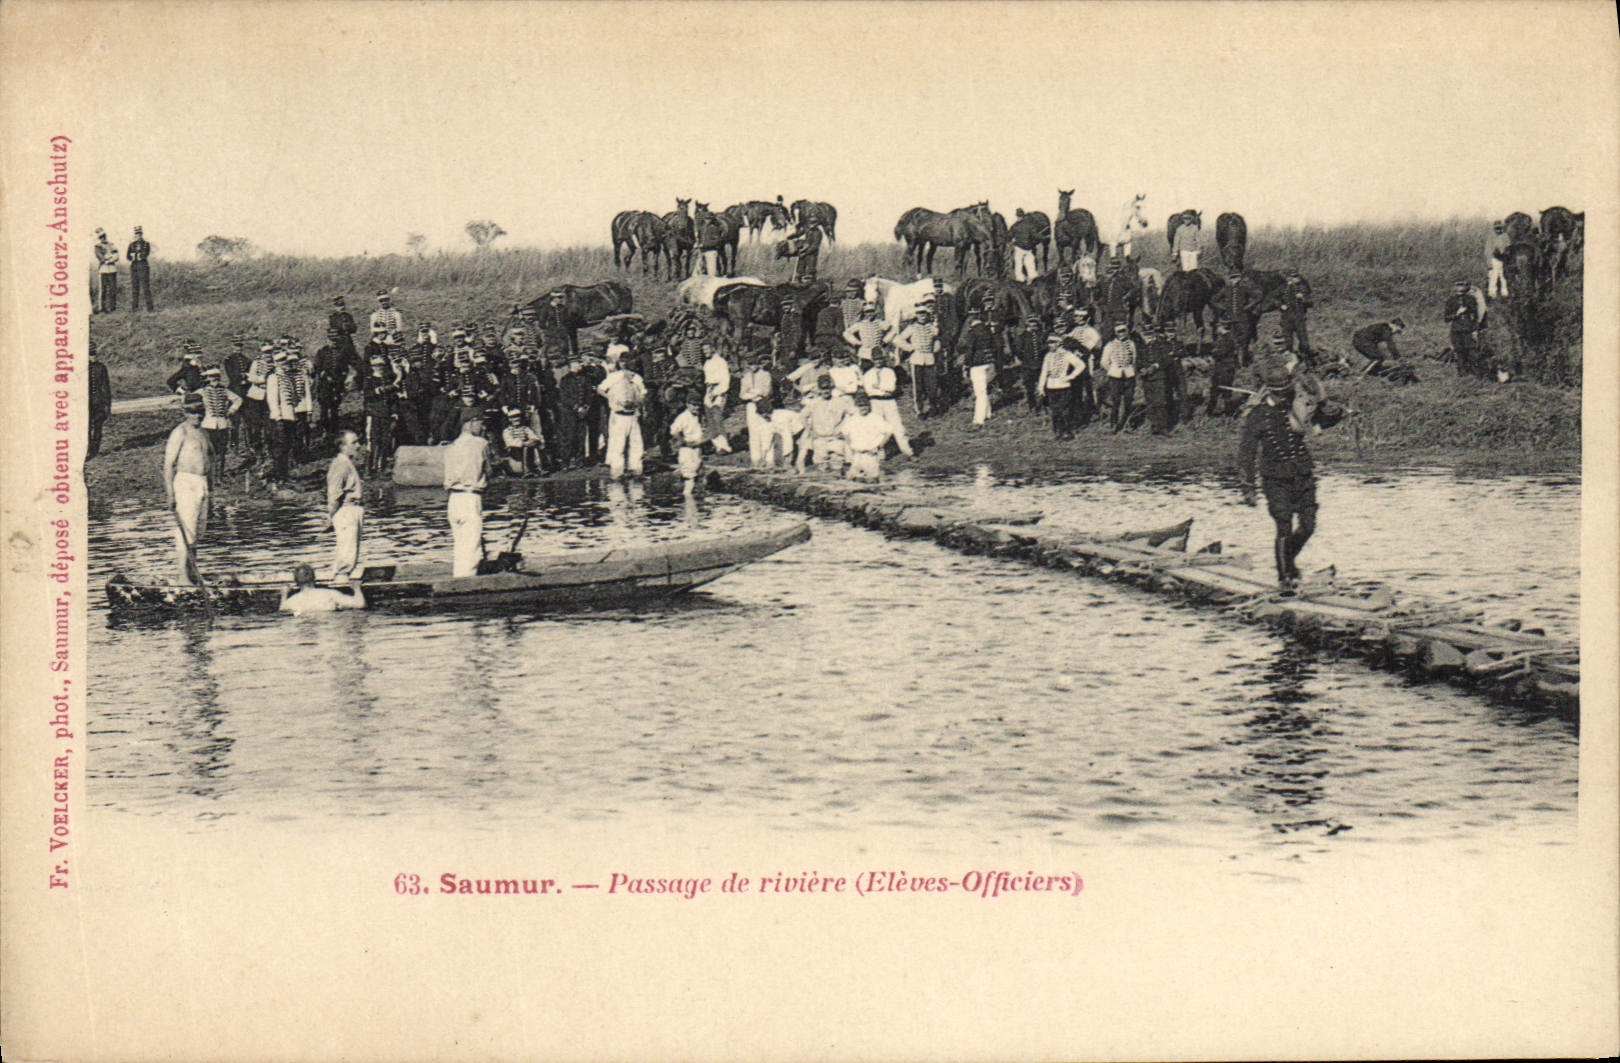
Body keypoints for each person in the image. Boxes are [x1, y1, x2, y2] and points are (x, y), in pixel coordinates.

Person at [1238, 363, 1338, 593]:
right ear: (1270, 391)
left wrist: (1321, 399)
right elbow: (1246, 452)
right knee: (1283, 526)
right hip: (1275, 478)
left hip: (1302, 475)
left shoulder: (1299, 406)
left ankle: (1288, 562)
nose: (1286, 395)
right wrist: (1248, 487)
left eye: (1288, 389)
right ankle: (1285, 577)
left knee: (1308, 526)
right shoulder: (1258, 415)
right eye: (1281, 392)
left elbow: (1325, 419)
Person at [163, 393, 212, 585]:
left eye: (200, 412)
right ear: (185, 412)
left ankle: (193, 574)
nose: (196, 416)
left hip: (203, 483)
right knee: (186, 529)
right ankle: (182, 577)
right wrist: (170, 494)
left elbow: (210, 462)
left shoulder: (205, 433)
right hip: (185, 483)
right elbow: (168, 465)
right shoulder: (180, 433)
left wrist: (211, 492)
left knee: (198, 531)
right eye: (192, 412)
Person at [443, 412, 490, 577]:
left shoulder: (451, 446)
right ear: (470, 423)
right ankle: (467, 585)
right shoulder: (481, 443)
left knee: (461, 546)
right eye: (481, 423)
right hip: (471, 497)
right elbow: (488, 470)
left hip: (454, 500)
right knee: (472, 549)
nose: (483, 427)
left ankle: (459, 578)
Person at [596, 355, 647, 479]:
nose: (631, 374)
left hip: (633, 415)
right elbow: (600, 389)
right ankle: (617, 472)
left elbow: (643, 395)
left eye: (633, 370)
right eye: (629, 370)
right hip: (618, 416)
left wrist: (637, 402)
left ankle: (636, 469)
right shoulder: (614, 377)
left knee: (636, 444)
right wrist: (612, 399)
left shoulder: (638, 379)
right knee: (618, 444)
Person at [325, 430, 366, 580]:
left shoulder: (347, 463)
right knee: (346, 554)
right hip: (346, 510)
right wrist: (331, 516)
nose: (358, 446)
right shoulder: (340, 465)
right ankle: (341, 583)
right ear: (342, 446)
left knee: (350, 551)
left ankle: (343, 579)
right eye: (354, 443)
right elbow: (334, 494)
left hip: (353, 509)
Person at [860, 349, 913, 456]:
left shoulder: (889, 372)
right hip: (875, 402)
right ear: (872, 360)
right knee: (877, 428)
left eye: (880, 359)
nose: (878, 361)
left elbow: (891, 388)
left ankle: (907, 451)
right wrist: (882, 390)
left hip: (889, 402)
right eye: (875, 359)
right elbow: (869, 391)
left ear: (883, 359)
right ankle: (880, 453)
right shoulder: (868, 374)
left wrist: (878, 387)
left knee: (897, 427)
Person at [798, 374, 855, 474]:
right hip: (820, 437)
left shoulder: (840, 401)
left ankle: (837, 480)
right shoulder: (813, 403)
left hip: (836, 437)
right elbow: (802, 417)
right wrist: (810, 431)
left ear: (832, 388)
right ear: (819, 389)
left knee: (837, 463)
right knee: (821, 464)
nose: (826, 391)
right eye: (823, 388)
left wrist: (843, 428)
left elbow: (852, 414)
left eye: (828, 388)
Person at [891, 305, 940, 417]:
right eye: (920, 314)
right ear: (916, 315)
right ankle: (920, 410)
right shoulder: (912, 328)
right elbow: (897, 340)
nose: (922, 316)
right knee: (917, 386)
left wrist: (935, 349)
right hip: (916, 359)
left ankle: (933, 408)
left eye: (924, 314)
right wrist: (910, 348)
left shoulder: (932, 328)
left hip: (929, 359)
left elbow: (936, 341)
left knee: (932, 385)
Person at [197, 367, 243, 478]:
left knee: (221, 451)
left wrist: (231, 410)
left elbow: (238, 399)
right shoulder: (202, 391)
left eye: (217, 377)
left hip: (223, 425)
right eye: (212, 377)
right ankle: (208, 475)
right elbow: (189, 399)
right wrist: (200, 413)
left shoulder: (224, 390)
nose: (215, 380)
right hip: (208, 425)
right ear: (208, 378)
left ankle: (219, 475)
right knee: (208, 451)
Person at [1038, 333, 1086, 439]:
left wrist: (1070, 376)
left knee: (1064, 410)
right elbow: (1044, 372)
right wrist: (1041, 387)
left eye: (1053, 343)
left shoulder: (1067, 355)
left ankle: (1067, 431)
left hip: (1064, 386)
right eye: (1049, 343)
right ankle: (1057, 431)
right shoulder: (1048, 356)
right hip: (1051, 386)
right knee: (1055, 411)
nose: (1050, 345)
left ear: (1059, 343)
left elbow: (1081, 365)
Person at [1139, 325, 1184, 435]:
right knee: (1150, 402)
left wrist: (1155, 366)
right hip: (1146, 378)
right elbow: (1137, 361)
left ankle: (1163, 426)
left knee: (1160, 402)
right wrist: (1141, 369)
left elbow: (1167, 360)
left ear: (1153, 335)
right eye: (1146, 335)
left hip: (1159, 377)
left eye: (1150, 335)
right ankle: (1153, 425)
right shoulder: (1141, 347)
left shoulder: (1161, 346)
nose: (1148, 338)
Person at [840, 391, 893, 482]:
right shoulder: (853, 419)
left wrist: (879, 446)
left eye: (865, 405)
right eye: (860, 406)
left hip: (871, 454)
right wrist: (850, 445)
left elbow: (889, 431)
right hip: (857, 455)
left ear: (869, 406)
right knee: (852, 479)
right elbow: (845, 432)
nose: (863, 408)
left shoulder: (876, 418)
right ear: (856, 407)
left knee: (872, 480)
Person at [959, 301, 998, 426]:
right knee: (984, 390)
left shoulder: (972, 333)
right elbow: (995, 346)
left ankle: (978, 420)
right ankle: (988, 413)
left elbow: (969, 351)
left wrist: (966, 365)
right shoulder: (988, 330)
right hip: (989, 361)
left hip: (977, 364)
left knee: (980, 392)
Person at [280, 563, 367, 615]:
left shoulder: (292, 601)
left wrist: (284, 595)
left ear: (296, 581)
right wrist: (357, 588)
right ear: (314, 578)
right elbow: (360, 604)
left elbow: (282, 610)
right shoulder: (330, 594)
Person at [736, 351, 775, 467]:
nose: (752, 367)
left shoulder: (765, 375)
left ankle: (769, 460)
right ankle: (756, 459)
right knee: (753, 433)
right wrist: (754, 394)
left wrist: (754, 392)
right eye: (750, 364)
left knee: (766, 431)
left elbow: (766, 392)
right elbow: (742, 394)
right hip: (751, 405)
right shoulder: (746, 377)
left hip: (764, 405)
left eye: (754, 364)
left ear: (759, 364)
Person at [1099, 322, 1138, 433]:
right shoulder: (1110, 345)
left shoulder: (1131, 344)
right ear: (1115, 333)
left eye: (1123, 331)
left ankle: (1127, 424)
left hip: (1129, 375)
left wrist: (1130, 369)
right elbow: (1104, 362)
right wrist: (1113, 370)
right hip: (1115, 376)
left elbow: (1134, 359)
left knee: (1128, 400)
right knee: (1115, 401)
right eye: (1119, 331)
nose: (1121, 334)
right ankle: (1114, 424)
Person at [669, 394, 707, 495]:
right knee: (688, 475)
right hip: (687, 449)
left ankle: (697, 499)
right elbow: (674, 431)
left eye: (698, 405)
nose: (696, 407)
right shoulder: (683, 417)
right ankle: (687, 500)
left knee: (699, 472)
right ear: (687, 404)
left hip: (697, 449)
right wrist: (683, 441)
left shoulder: (699, 416)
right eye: (693, 405)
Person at [1444, 279, 1483, 376]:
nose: (1460, 288)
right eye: (1458, 285)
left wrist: (1475, 329)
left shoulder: (1471, 299)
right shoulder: (1451, 301)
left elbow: (1475, 316)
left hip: (1468, 328)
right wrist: (1456, 314)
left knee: (1471, 351)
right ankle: (1462, 373)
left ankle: (1475, 373)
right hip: (1456, 329)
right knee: (1459, 351)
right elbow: (1446, 318)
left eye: (1462, 285)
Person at [701, 343, 732, 453]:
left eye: (707, 349)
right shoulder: (707, 362)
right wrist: (709, 392)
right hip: (709, 390)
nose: (705, 352)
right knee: (710, 419)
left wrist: (717, 392)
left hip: (719, 390)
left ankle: (724, 446)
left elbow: (726, 380)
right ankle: (717, 445)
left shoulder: (721, 361)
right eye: (703, 350)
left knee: (717, 418)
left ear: (712, 348)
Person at [1276, 269, 1314, 361]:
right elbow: (1275, 299)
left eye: (1296, 277)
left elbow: (1310, 302)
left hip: (1299, 316)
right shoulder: (1283, 288)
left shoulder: (1303, 288)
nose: (1294, 279)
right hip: (1286, 317)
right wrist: (1281, 305)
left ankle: (1305, 357)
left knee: (1303, 339)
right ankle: (1290, 359)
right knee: (1287, 339)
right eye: (1292, 277)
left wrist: (1303, 298)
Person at [88, 341, 112, 460]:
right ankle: (91, 450)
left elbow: (105, 388)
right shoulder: (97, 367)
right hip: (90, 402)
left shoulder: (100, 368)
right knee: (92, 427)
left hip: (96, 402)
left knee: (96, 426)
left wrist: (107, 405)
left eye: (92, 354)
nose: (92, 357)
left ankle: (93, 450)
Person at [127, 226, 154, 312]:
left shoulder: (146, 244)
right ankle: (134, 308)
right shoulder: (131, 245)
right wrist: (134, 257)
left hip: (143, 266)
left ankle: (150, 308)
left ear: (142, 234)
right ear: (135, 235)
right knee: (135, 288)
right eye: (136, 234)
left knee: (145, 287)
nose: (138, 236)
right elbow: (128, 256)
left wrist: (137, 255)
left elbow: (145, 254)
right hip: (134, 266)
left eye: (139, 234)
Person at [93, 228, 119, 313]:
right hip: (103, 270)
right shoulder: (97, 246)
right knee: (103, 289)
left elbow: (116, 256)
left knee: (112, 289)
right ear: (99, 238)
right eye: (101, 237)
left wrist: (111, 259)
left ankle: (112, 307)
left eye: (104, 236)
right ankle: (102, 308)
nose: (103, 238)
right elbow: (99, 256)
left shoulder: (111, 245)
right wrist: (107, 259)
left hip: (112, 269)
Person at [1486, 220, 1511, 299]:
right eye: (1497, 229)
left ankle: (1505, 293)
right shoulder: (1491, 237)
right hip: (1495, 259)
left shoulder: (1505, 236)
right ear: (1494, 229)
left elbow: (1508, 246)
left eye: (1500, 228)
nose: (1499, 230)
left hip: (1504, 259)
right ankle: (1492, 293)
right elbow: (1488, 250)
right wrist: (1489, 263)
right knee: (1494, 276)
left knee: (1504, 276)